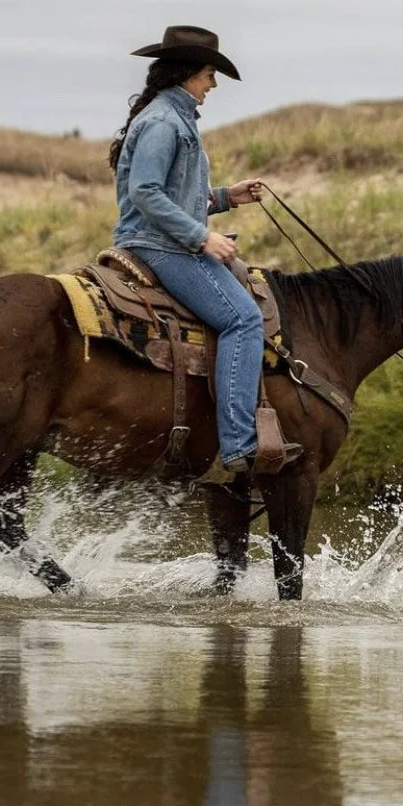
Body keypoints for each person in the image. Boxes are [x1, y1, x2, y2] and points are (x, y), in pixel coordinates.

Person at [109, 25, 301, 475]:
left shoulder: (172, 118)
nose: (213, 85)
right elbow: (146, 192)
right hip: (161, 247)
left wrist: (227, 198)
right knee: (243, 319)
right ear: (189, 73)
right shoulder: (163, 122)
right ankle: (238, 446)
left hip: (164, 239)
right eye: (210, 74)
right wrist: (201, 237)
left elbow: (177, 197)